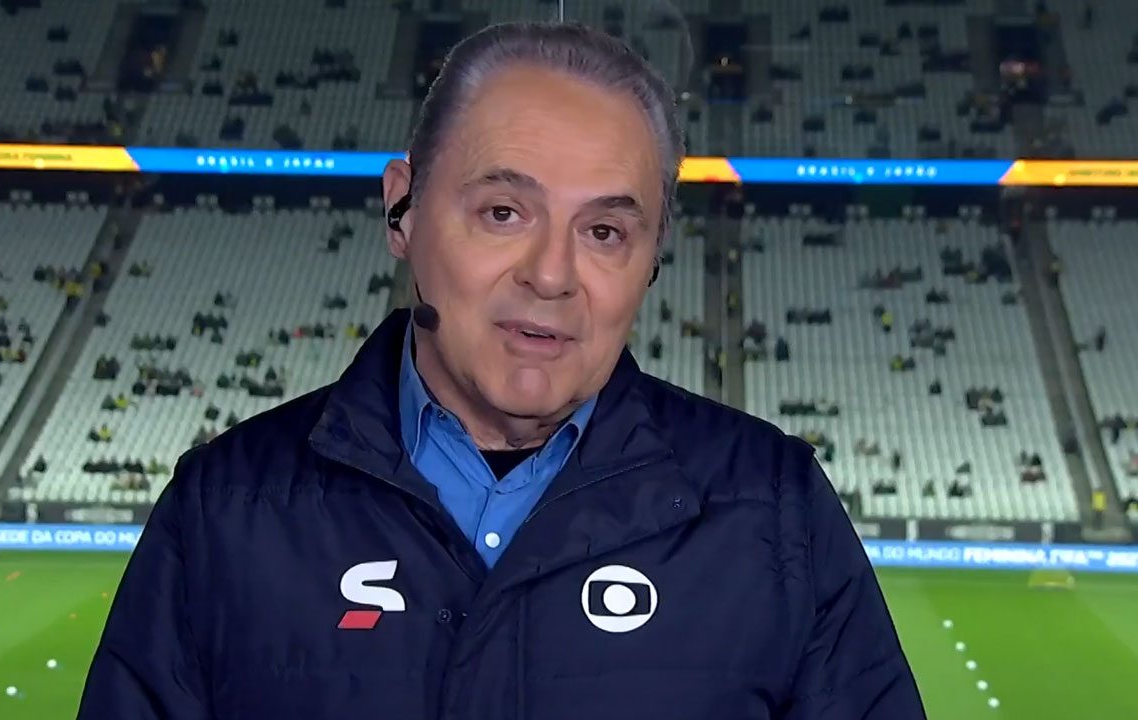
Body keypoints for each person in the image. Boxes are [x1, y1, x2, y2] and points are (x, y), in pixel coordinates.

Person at [79, 22, 922, 720]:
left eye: (604, 233)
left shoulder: (772, 508)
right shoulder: (226, 508)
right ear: (402, 209)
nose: (551, 275)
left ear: (653, 258)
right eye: (504, 212)